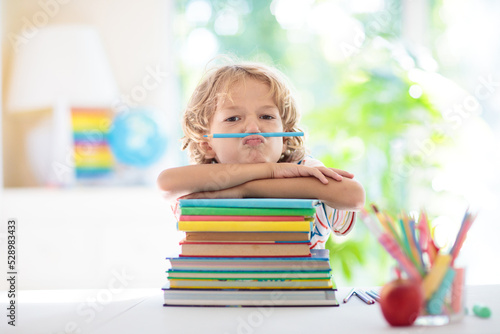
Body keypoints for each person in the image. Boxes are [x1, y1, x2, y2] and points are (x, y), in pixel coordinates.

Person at [157, 60, 365, 249]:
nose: (253, 127)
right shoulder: (202, 179)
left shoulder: (302, 167)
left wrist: (243, 189)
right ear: (206, 145)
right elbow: (166, 183)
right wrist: (270, 171)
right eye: (233, 118)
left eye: (266, 116)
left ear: (284, 139)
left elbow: (353, 196)